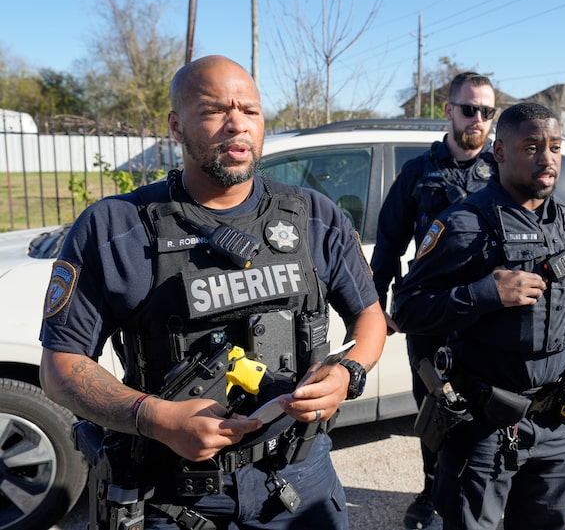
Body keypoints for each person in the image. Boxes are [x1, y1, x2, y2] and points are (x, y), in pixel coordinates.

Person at [39, 55, 386, 530]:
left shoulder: (314, 215)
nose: (236, 124)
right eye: (214, 111)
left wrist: (348, 372)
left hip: (300, 480)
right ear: (176, 127)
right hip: (171, 495)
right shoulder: (113, 227)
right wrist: (155, 417)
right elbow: (60, 368)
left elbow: (370, 317)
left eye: (250, 110)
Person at [392, 102, 565, 530]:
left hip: (557, 422)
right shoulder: (465, 223)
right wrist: (484, 294)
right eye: (532, 146)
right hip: (483, 426)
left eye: (555, 146)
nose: (547, 158)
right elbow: (407, 309)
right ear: (499, 152)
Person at [370, 71, 497, 528]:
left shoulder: (504, 172)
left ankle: (486, 492)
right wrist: (374, 310)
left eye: (487, 111)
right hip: (429, 313)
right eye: (469, 109)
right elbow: (388, 245)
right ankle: (431, 490)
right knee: (433, 405)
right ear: (448, 110)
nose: (478, 119)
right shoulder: (417, 173)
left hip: (487, 314)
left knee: (489, 406)